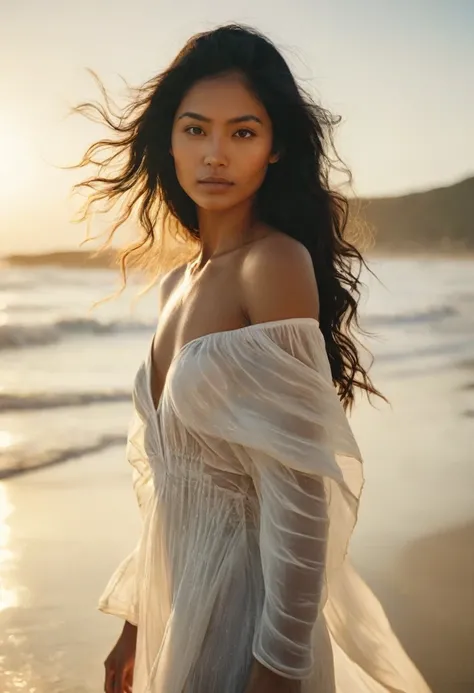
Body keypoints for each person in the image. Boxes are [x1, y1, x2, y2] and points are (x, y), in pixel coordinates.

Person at [74, 23, 432, 693]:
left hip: (249, 617)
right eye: (195, 129)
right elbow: (173, 481)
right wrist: (133, 621)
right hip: (179, 609)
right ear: (169, 140)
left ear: (274, 148)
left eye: (241, 132)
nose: (215, 154)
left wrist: (278, 668)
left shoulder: (273, 265)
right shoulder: (179, 283)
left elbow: (299, 496)